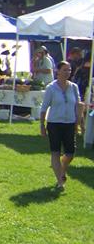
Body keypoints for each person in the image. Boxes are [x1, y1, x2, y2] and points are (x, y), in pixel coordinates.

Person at [39, 61, 82, 191]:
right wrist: (42, 125)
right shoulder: (51, 88)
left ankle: (62, 168)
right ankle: (60, 181)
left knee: (70, 153)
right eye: (65, 70)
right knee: (55, 151)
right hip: (54, 124)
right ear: (58, 71)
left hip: (69, 123)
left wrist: (79, 122)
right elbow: (44, 108)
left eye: (69, 70)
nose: (67, 72)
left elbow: (77, 105)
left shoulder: (73, 87)